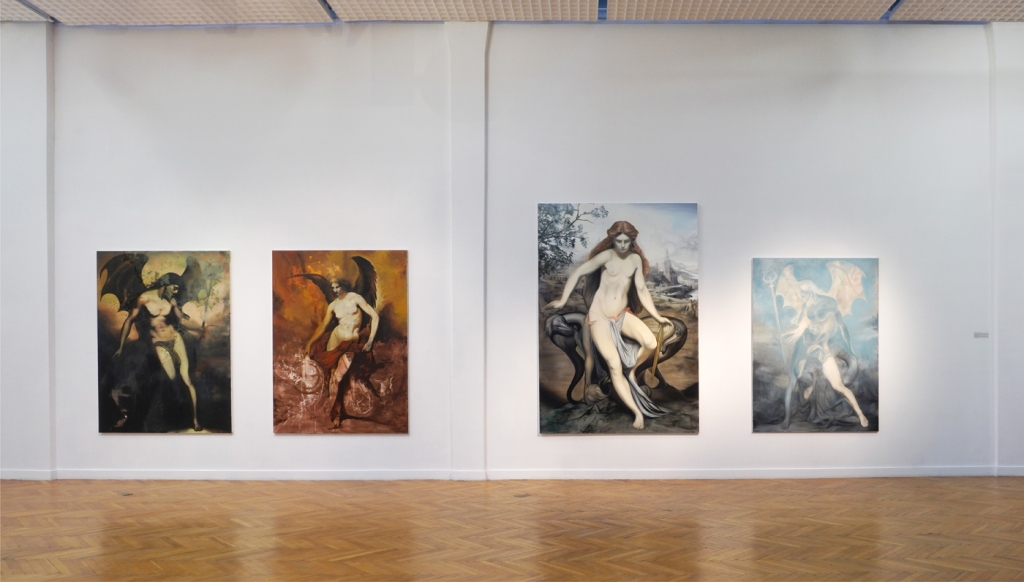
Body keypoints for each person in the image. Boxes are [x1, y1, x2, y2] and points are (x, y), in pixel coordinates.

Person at [546, 221, 671, 429]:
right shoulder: (606, 256)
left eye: (626, 242)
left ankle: (631, 370)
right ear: (612, 239)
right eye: (618, 241)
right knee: (614, 364)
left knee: (650, 343)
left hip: (621, 315)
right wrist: (562, 300)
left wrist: (657, 316)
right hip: (600, 316)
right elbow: (578, 273)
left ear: (632, 241)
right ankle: (636, 412)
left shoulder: (635, 260)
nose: (622, 245)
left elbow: (641, 290)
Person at [115, 273, 204, 431]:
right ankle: (169, 416)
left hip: (175, 338)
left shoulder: (171, 300)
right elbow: (129, 320)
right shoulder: (144, 298)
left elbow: (182, 320)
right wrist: (121, 346)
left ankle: (195, 420)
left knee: (187, 379)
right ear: (165, 284)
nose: (175, 291)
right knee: (171, 376)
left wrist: (198, 328)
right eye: (174, 288)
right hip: (158, 342)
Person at [783, 282, 869, 428]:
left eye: (804, 292)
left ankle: (860, 413)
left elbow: (843, 327)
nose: (801, 295)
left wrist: (850, 347)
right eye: (801, 293)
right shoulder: (806, 307)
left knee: (838, 386)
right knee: (793, 379)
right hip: (806, 348)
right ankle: (786, 418)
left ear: (811, 290)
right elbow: (799, 326)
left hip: (822, 351)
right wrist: (790, 332)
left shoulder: (829, 306)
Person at [303, 279, 380, 395]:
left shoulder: (355, 298)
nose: (335, 290)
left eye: (337, 287)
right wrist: (310, 343)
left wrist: (370, 341)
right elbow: (323, 326)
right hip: (336, 337)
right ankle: (331, 400)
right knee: (331, 372)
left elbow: (375, 317)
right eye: (333, 288)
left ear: (343, 285)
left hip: (351, 340)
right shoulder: (333, 305)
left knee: (344, 375)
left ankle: (343, 398)